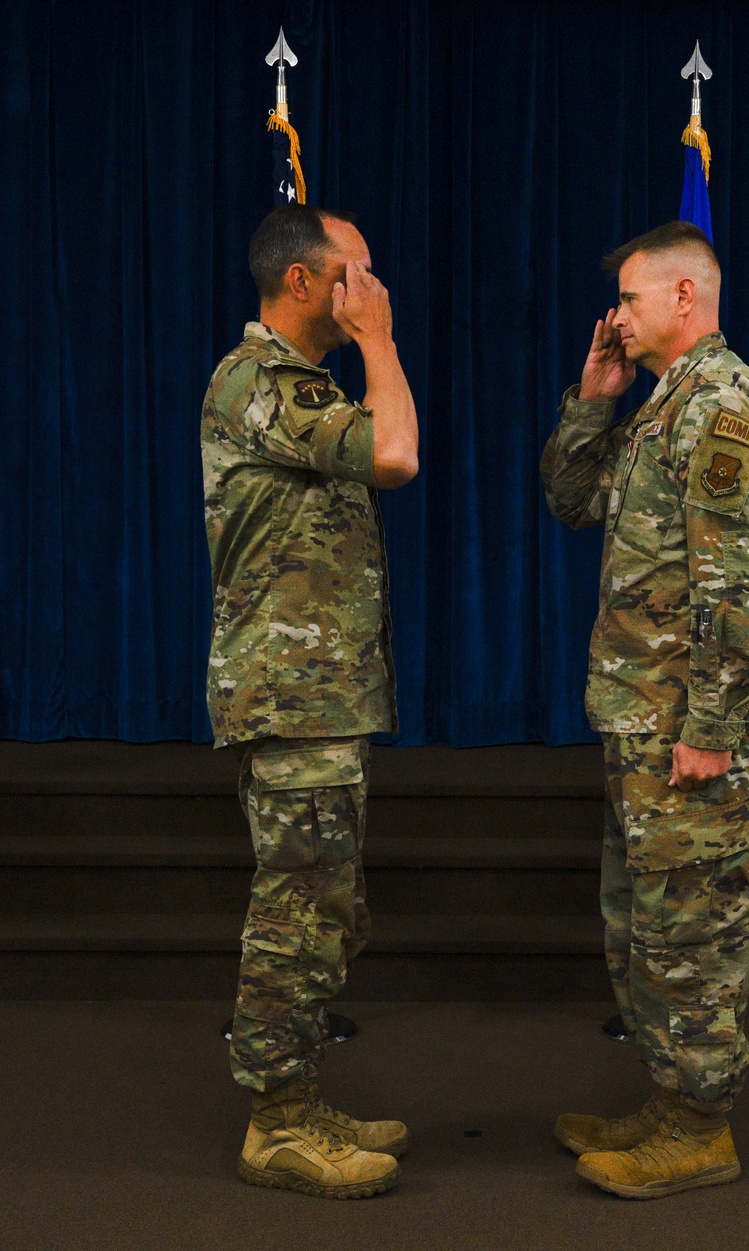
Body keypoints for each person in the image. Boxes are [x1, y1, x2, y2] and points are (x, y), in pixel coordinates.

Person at [541, 220, 749, 1199]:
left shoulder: (724, 408)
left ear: (685, 298)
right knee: (644, 920)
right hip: (640, 711)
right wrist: (592, 400)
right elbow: (572, 501)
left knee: (692, 924)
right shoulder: (658, 408)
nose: (618, 318)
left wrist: (711, 730)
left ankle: (700, 1126)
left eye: (633, 302)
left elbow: (738, 588)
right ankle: (666, 1095)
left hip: (689, 722)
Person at [201, 203, 419, 1199]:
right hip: (288, 697)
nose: (369, 289)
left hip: (320, 696)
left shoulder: (302, 386)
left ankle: (299, 1095)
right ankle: (274, 1125)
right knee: (295, 910)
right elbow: (396, 455)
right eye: (355, 275)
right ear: (303, 283)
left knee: (327, 905)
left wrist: (363, 344)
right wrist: (380, 342)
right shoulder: (256, 382)